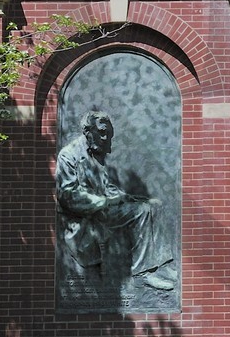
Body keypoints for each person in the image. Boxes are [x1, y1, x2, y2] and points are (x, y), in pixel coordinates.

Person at [55, 107, 176, 291]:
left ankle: (159, 265)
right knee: (142, 213)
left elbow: (107, 188)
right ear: (88, 131)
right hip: (84, 221)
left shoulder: (95, 155)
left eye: (108, 135)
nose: (106, 139)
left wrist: (132, 198)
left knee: (151, 207)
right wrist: (104, 202)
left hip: (102, 213)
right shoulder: (68, 155)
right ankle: (144, 273)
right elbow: (68, 196)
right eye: (102, 133)